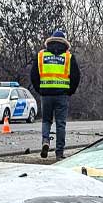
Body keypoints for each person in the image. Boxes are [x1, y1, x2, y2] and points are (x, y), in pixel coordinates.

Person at [29, 30, 80, 159]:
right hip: (62, 95)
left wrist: (39, 89)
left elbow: (33, 75)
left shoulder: (41, 55)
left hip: (46, 94)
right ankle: (59, 153)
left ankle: (45, 141)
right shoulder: (68, 57)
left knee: (46, 120)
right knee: (60, 123)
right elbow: (76, 76)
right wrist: (70, 91)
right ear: (65, 43)